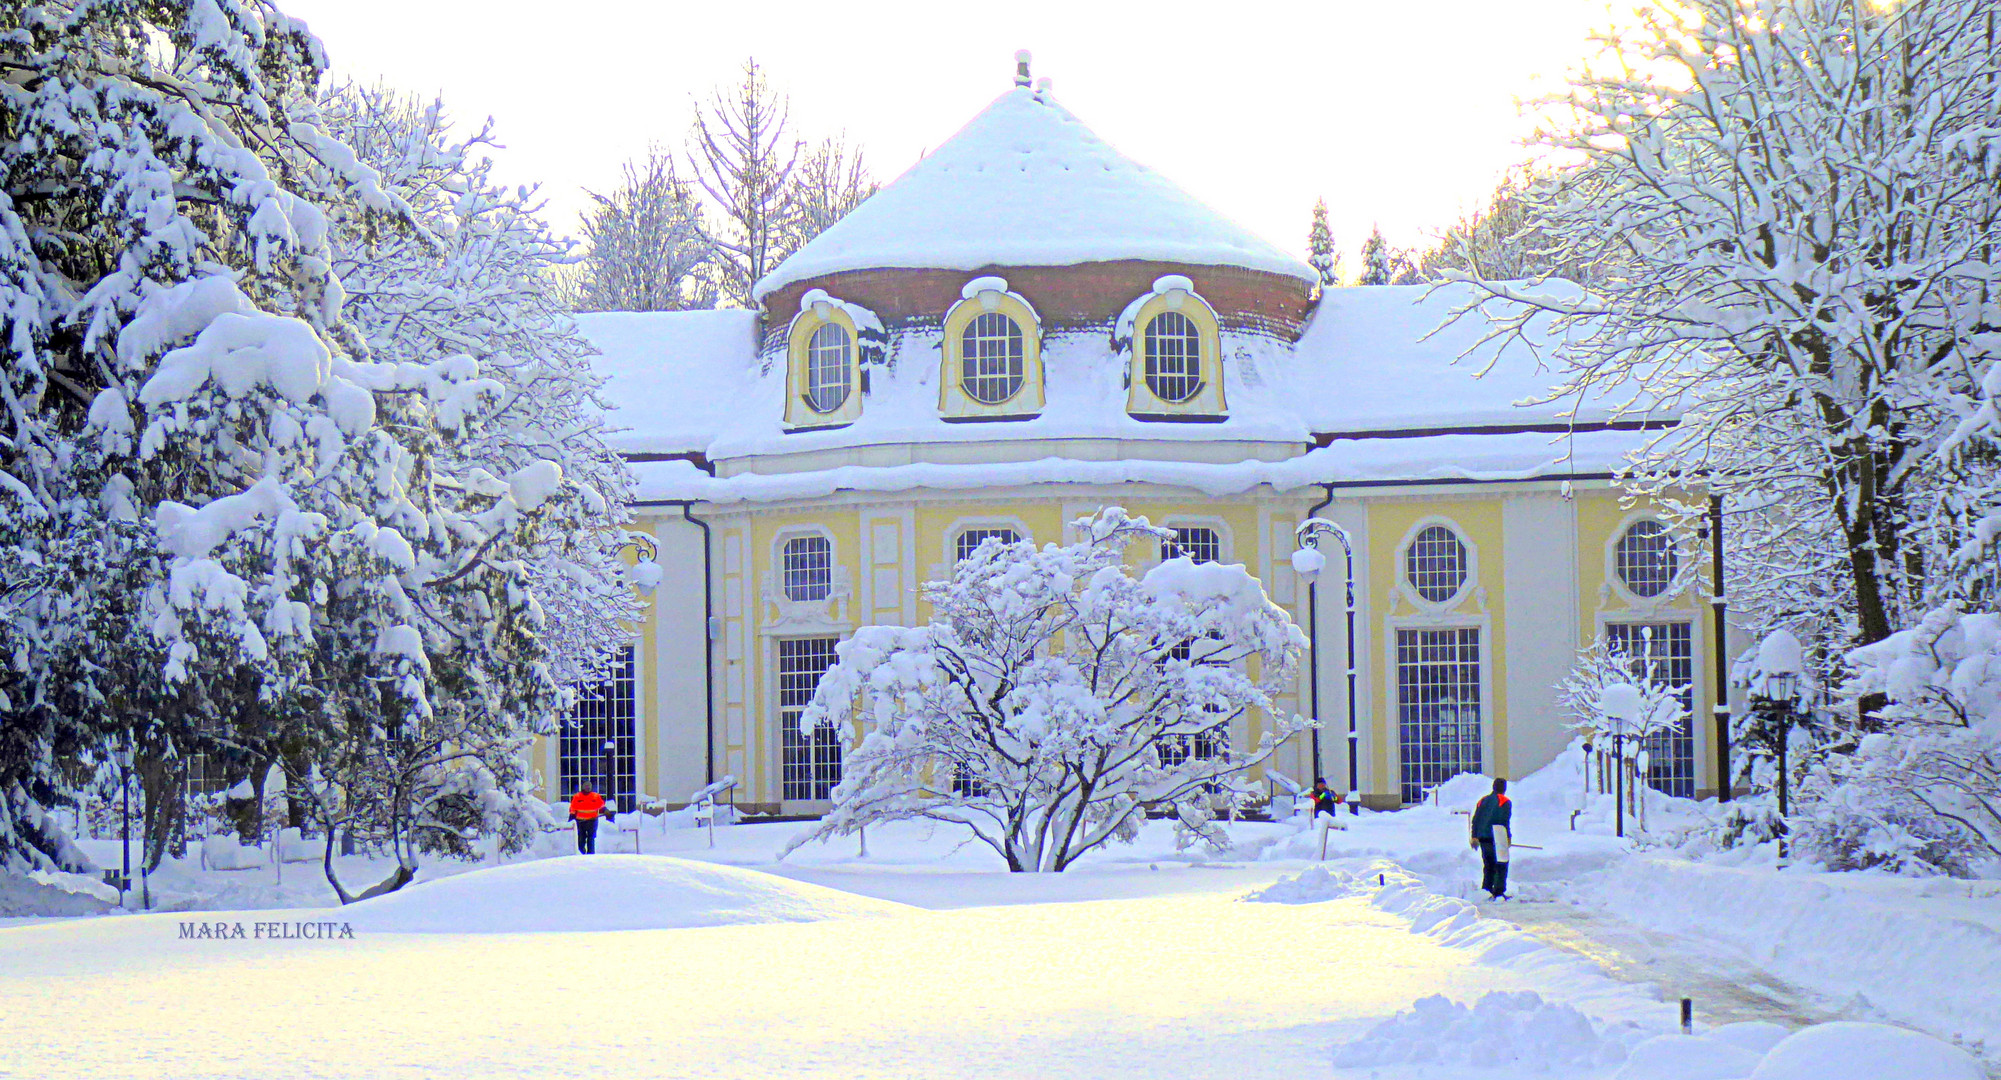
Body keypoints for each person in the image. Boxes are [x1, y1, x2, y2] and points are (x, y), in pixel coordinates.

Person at [1469, 777, 1513, 898]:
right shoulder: (1504, 802)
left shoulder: (1483, 800)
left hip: (1483, 837)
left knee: (1488, 864)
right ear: (1504, 788)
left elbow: (1476, 819)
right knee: (1501, 864)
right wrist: (1508, 837)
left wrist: (1474, 836)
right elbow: (1504, 821)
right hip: (1497, 837)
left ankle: (1486, 890)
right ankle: (1498, 891)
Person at [569, 784, 609, 855]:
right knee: (581, 838)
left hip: (592, 821)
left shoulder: (595, 796)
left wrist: (606, 811)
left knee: (591, 838)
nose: (588, 787)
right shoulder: (577, 797)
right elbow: (573, 809)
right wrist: (571, 820)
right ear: (583, 787)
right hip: (581, 822)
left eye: (589, 786)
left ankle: (591, 854)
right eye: (586, 786)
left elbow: (601, 806)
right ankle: (581, 854)